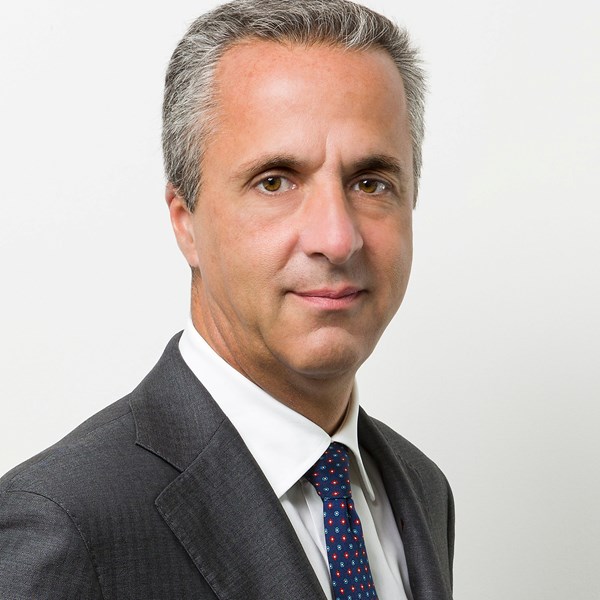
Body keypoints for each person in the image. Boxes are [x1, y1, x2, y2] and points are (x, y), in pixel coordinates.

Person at [0, 0, 454, 598]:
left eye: (371, 183)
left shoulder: (420, 488)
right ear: (185, 222)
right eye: (275, 182)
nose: (337, 238)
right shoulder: (67, 525)